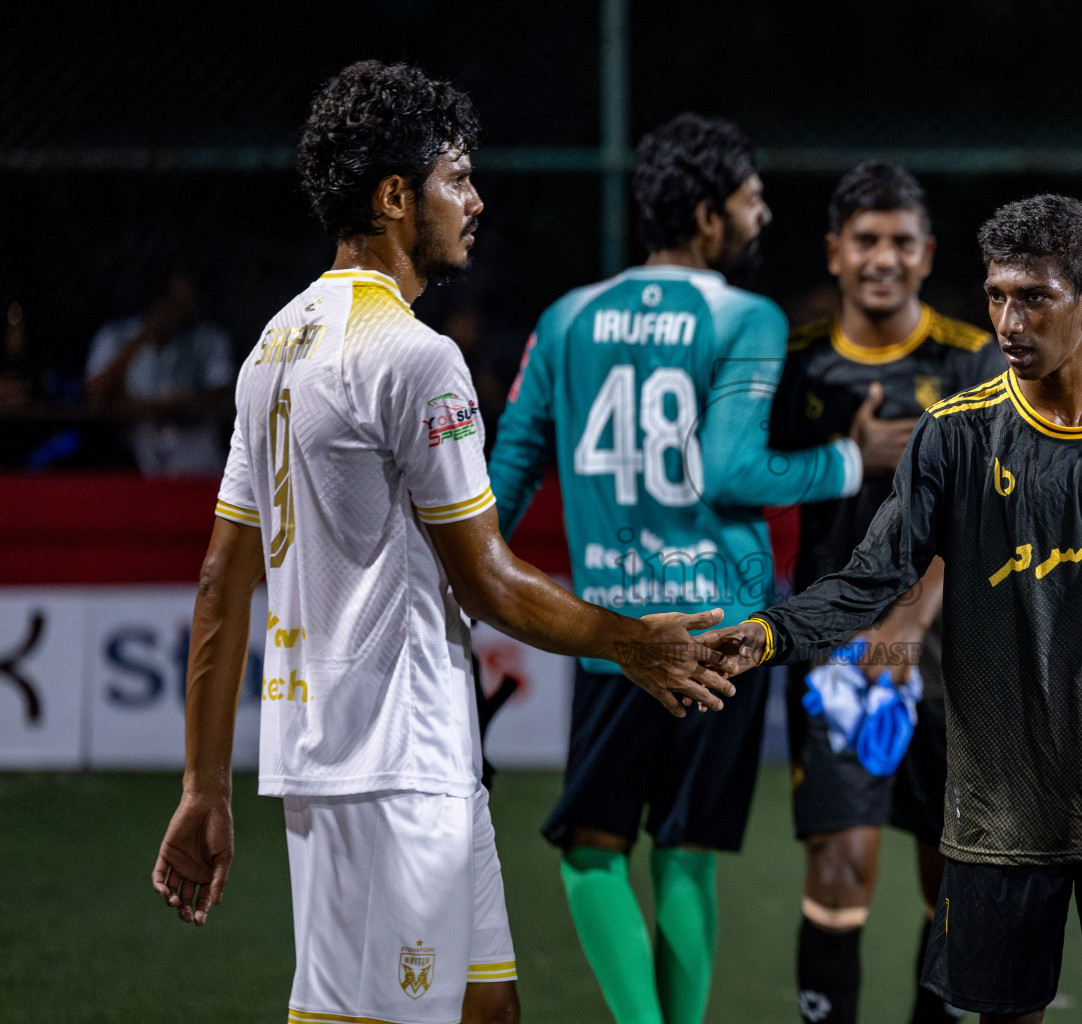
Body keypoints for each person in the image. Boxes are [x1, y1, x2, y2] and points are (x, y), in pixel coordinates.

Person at [149, 62, 733, 1024]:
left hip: (394, 751)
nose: (476, 200)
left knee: (485, 1007)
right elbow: (490, 579)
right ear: (393, 197)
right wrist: (632, 642)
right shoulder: (416, 357)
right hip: (389, 760)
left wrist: (204, 784)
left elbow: (221, 580)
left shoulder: (273, 346)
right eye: (456, 178)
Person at [705, 194, 1082, 1024]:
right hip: (1003, 803)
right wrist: (768, 632)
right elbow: (871, 577)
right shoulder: (956, 435)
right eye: (997, 295)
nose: (1008, 319)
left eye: (1034, 296)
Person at [486, 113, 880, 1024]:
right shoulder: (746, 316)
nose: (763, 214)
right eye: (750, 200)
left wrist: (464, 576)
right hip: (720, 630)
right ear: (707, 217)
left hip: (614, 633)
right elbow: (735, 471)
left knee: (592, 850)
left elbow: (506, 483)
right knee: (686, 853)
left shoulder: (566, 317)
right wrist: (844, 462)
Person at [767, 161, 1003, 1024]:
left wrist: (905, 622)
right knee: (839, 863)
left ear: (927, 252)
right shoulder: (795, 368)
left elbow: (983, 521)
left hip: (953, 655)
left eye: (901, 241)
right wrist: (840, 460)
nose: (883, 258)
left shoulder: (973, 357)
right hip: (837, 652)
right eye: (865, 240)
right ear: (834, 252)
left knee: (956, 869)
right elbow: (740, 474)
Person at [83, 269, 235, 475]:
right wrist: (144, 335)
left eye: (187, 301)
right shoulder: (116, 334)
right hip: (134, 460)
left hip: (197, 461)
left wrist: (181, 402)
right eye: (173, 302)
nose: (180, 310)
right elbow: (96, 393)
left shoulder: (207, 338)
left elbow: (226, 392)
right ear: (156, 300)